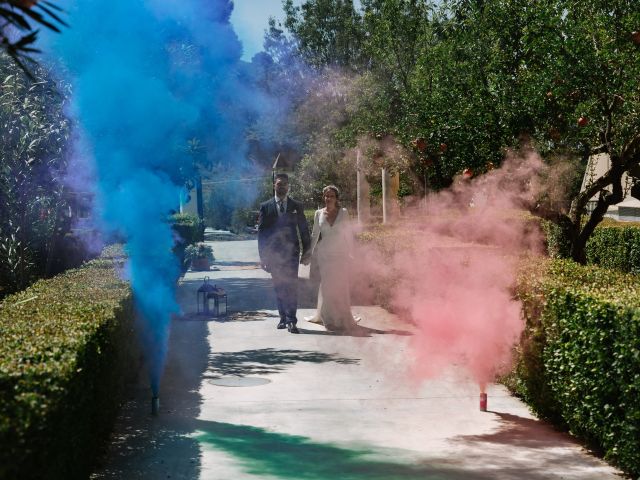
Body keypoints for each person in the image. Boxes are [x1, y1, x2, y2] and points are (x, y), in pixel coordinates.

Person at [258, 173, 311, 334]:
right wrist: (263, 257)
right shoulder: (266, 206)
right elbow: (262, 233)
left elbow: (303, 230)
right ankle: (282, 317)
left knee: (291, 286)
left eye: (285, 184)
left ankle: (291, 320)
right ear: (274, 185)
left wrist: (307, 251)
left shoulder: (296, 205)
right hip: (274, 255)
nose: (282, 187)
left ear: (289, 186)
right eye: (279, 184)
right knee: (279, 286)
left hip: (292, 253)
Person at [305, 185, 360, 333]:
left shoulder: (343, 213)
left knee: (340, 285)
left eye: (331, 196)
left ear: (337, 198)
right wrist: (308, 253)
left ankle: (342, 317)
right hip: (325, 255)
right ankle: (328, 318)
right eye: (326, 196)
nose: (328, 198)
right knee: (327, 286)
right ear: (324, 197)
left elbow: (348, 234)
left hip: (341, 254)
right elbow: (315, 235)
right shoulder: (318, 213)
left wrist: (352, 252)